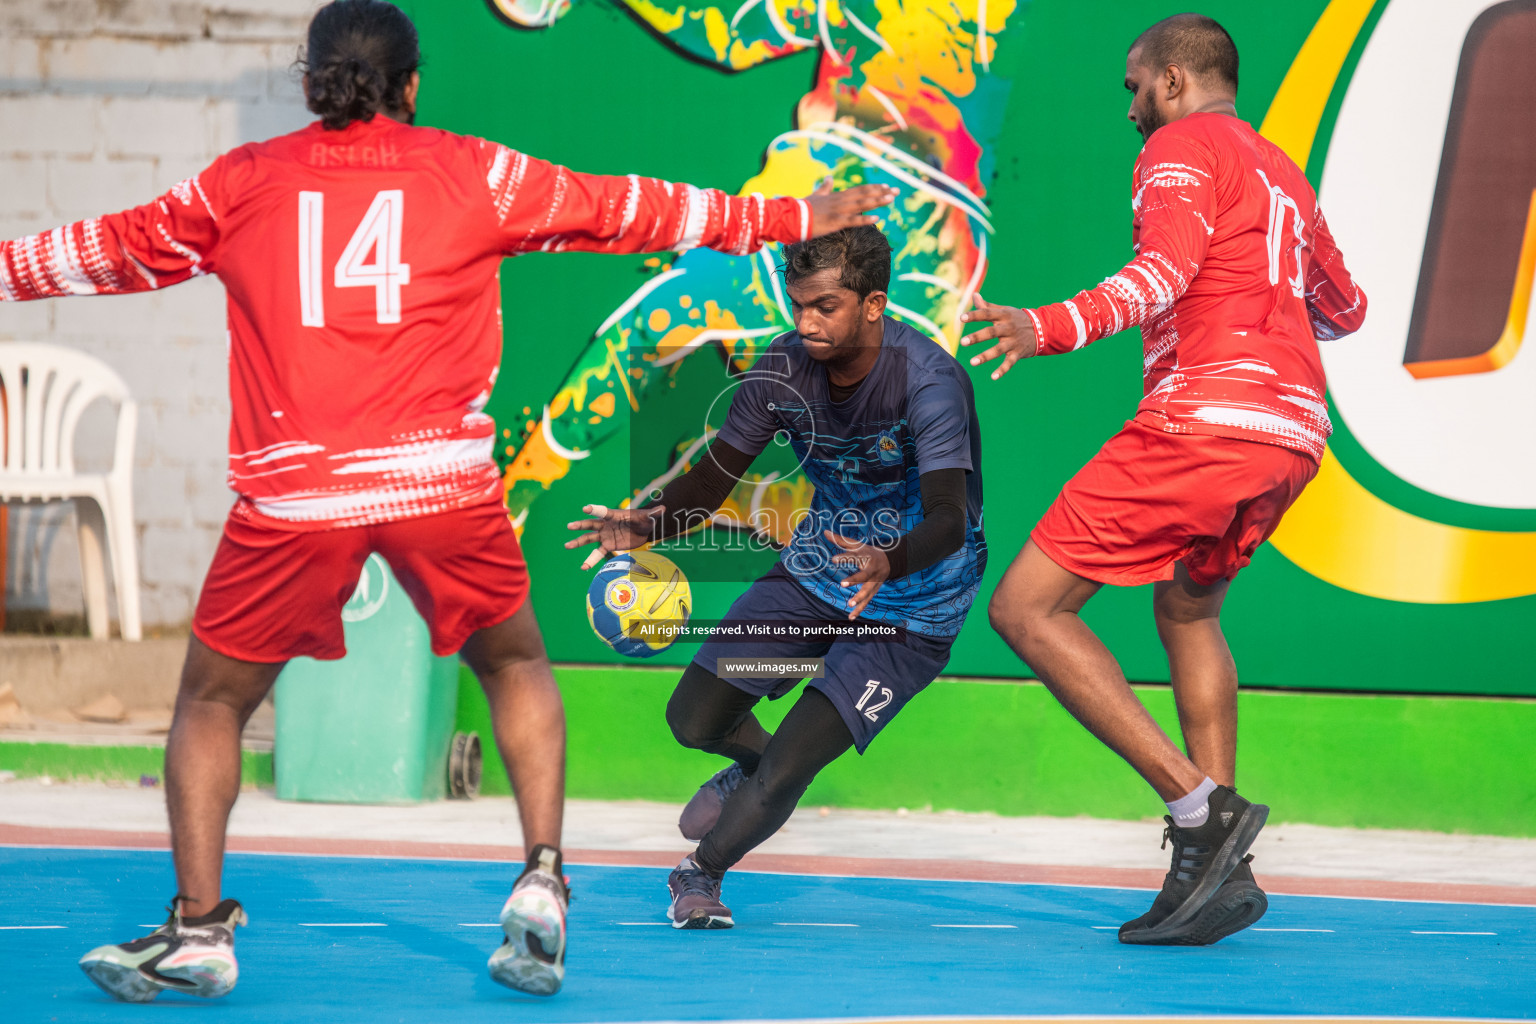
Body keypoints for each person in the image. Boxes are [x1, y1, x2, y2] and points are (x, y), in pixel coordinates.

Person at [0, 0, 894, 1001]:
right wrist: (781, 217)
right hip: (440, 484)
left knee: (212, 700)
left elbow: (105, 248)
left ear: (309, 83)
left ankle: (201, 927)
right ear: (412, 85)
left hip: (298, 491)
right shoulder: (475, 172)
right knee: (515, 664)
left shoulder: (241, 183)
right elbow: (625, 207)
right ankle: (546, 878)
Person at [960, 13, 1366, 946]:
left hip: (1204, 424)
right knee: (1189, 610)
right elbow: (1346, 309)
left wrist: (1047, 325)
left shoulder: (1179, 148)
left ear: (1175, 82)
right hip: (1293, 438)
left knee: (1026, 609)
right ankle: (1214, 874)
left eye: (1135, 86)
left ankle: (1200, 810)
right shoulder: (1282, 173)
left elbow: (1164, 273)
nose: (1131, 110)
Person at [566, 226, 986, 928]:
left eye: (825, 306)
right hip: (814, 580)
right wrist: (650, 523)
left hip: (911, 610)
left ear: (874, 303)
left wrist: (890, 561)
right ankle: (751, 773)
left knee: (792, 764)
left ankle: (699, 874)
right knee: (695, 717)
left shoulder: (930, 380)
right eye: (799, 306)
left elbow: (948, 516)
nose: (807, 323)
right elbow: (713, 480)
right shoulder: (783, 369)